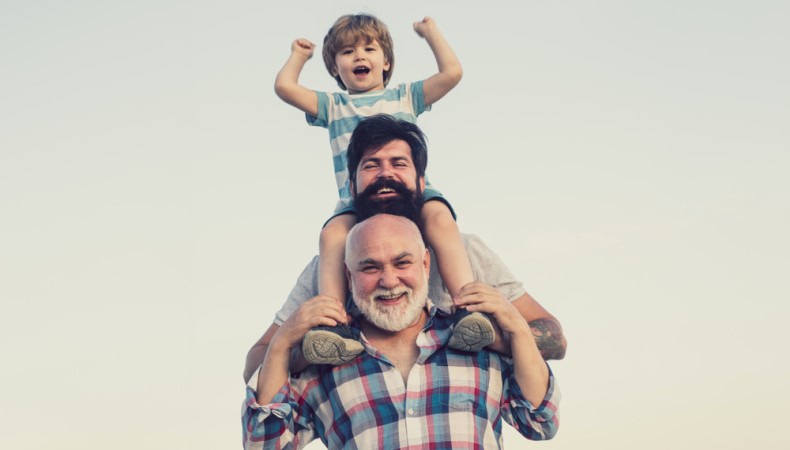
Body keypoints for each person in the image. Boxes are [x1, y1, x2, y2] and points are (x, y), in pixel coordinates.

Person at [243, 115, 567, 382]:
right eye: (371, 165)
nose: (386, 173)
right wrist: (297, 347)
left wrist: (498, 333)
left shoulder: (464, 251)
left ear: (422, 183)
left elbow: (555, 337)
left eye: (399, 163)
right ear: (351, 186)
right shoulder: (326, 267)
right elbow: (254, 366)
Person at [274, 13, 490, 363]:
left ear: (386, 61)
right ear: (335, 68)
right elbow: (285, 88)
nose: (359, 56)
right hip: (357, 201)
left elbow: (452, 73)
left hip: (413, 195)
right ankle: (334, 328)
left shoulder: (405, 97)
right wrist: (298, 56)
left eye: (369, 49)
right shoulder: (333, 105)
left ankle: (469, 310)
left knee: (439, 220)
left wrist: (431, 34)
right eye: (347, 52)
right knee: (332, 235)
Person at [242, 214, 560, 449]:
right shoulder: (323, 363)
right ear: (348, 278)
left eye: (402, 263)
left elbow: (540, 421)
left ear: (425, 264)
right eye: (370, 267)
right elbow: (263, 444)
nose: (389, 280)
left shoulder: (476, 341)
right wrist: (282, 342)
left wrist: (517, 327)